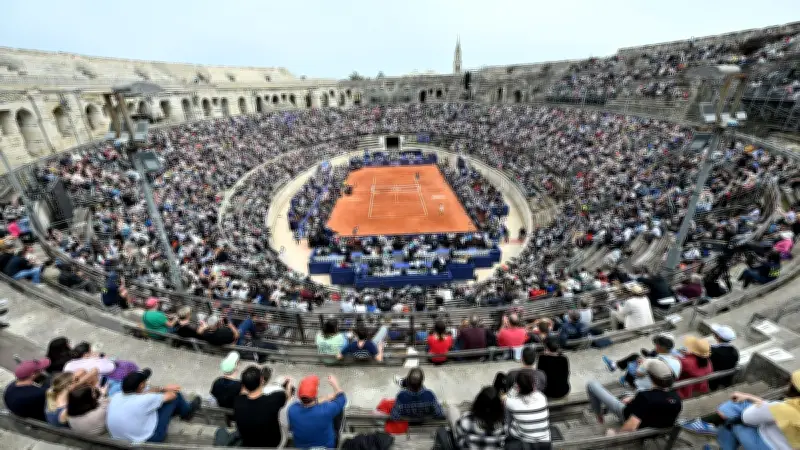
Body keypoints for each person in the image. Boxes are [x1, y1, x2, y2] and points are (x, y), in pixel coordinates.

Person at [681, 369, 800, 449]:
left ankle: (715, 434)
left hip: (765, 444)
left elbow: (747, 418)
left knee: (733, 420)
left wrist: (750, 400)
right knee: (741, 406)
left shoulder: (783, 408)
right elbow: (769, 409)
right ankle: (710, 425)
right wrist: (749, 397)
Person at [586, 359, 682, 435]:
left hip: (626, 415)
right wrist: (634, 399)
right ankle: (605, 410)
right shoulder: (677, 398)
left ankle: (598, 414)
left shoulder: (645, 397)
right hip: (653, 426)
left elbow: (631, 427)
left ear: (651, 377)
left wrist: (615, 433)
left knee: (591, 385)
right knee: (627, 395)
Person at [106, 368, 201, 443]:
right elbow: (172, 395)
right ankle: (187, 412)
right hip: (151, 437)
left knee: (158, 402)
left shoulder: (116, 396)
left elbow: (143, 394)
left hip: (119, 437)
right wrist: (166, 389)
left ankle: (183, 410)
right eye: (144, 382)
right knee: (176, 396)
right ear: (140, 386)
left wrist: (162, 388)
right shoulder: (145, 399)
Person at [233, 366, 292, 448]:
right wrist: (288, 385)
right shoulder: (274, 398)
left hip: (249, 442)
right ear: (262, 380)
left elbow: (243, 393)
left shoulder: (238, 401)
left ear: (244, 385)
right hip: (273, 444)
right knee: (283, 414)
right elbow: (288, 396)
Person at [602, 333, 681, 389]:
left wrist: (642, 363)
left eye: (656, 344)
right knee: (636, 358)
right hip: (666, 382)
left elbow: (637, 373)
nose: (655, 346)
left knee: (633, 362)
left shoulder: (653, 361)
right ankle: (615, 366)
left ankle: (626, 380)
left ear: (659, 346)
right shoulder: (676, 358)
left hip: (652, 385)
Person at [287, 375, 347, 449]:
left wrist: (325, 398)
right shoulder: (327, 409)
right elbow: (342, 398)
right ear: (316, 392)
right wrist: (335, 384)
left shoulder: (292, 410)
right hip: (327, 447)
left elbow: (298, 402)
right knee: (339, 410)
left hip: (301, 447)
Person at [504, 370, 551, 448]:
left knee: (509, 415)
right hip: (545, 442)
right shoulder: (542, 398)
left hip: (526, 443)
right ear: (533, 386)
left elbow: (505, 397)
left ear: (517, 387)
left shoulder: (512, 403)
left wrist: (514, 388)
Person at [708, 324, 739, 391]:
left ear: (718, 337)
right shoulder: (735, 351)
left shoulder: (712, 351)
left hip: (713, 380)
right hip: (726, 380)